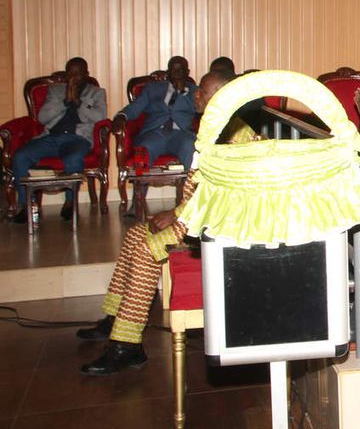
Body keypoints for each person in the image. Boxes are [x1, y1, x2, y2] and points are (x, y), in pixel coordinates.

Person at [76, 69, 255, 375]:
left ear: (222, 97)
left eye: (203, 91)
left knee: (147, 250)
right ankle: (116, 317)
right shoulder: (215, 126)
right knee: (134, 235)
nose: (196, 94)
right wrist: (180, 209)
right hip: (196, 213)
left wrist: (177, 213)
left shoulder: (236, 134)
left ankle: (127, 346)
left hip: (213, 220)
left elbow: (227, 192)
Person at [11, 57, 107, 223]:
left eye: (78, 73)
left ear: (86, 74)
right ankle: (26, 205)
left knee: (73, 158)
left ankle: (70, 203)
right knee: (20, 156)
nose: (74, 77)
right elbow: (42, 118)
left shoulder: (97, 93)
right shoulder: (55, 91)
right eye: (70, 73)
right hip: (51, 138)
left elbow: (100, 117)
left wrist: (78, 102)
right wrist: (65, 101)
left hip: (78, 139)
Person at [113, 56, 198, 168]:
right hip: (155, 133)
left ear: (187, 72)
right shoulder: (152, 89)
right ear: (168, 72)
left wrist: (181, 92)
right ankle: (141, 184)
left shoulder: (196, 91)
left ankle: (192, 184)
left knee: (189, 147)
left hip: (181, 134)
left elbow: (202, 111)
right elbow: (136, 107)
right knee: (144, 151)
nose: (177, 73)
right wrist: (122, 116)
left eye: (180, 69)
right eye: (173, 70)